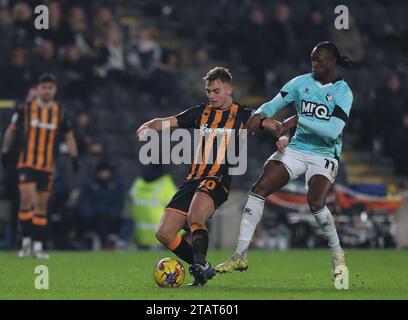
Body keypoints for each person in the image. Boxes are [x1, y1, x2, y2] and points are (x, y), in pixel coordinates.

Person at [136, 67, 291, 286]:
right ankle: (203, 266)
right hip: (193, 179)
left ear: (229, 89)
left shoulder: (245, 115)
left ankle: (198, 271)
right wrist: (148, 125)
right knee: (164, 233)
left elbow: (278, 126)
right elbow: (169, 121)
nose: (212, 95)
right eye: (209, 91)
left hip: (218, 179)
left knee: (195, 217)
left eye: (216, 91)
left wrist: (284, 136)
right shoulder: (202, 112)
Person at [215, 41, 353, 283]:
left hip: (324, 153)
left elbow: (332, 131)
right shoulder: (300, 83)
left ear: (332, 61)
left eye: (320, 60)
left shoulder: (343, 92)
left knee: (316, 202)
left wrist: (298, 120)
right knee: (258, 190)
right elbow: (273, 104)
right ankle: (240, 255)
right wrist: (260, 115)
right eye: (312, 59)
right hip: (297, 149)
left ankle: (337, 254)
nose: (315, 64)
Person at [1, 73, 79, 259]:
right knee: (27, 199)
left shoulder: (59, 111)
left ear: (55, 90)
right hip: (27, 163)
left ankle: (37, 246)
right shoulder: (25, 109)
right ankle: (25, 242)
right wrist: (5, 151)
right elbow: (11, 132)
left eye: (50, 87)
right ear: (37, 90)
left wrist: (74, 157)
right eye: (43, 87)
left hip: (47, 166)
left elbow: (68, 135)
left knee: (41, 205)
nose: (46, 90)